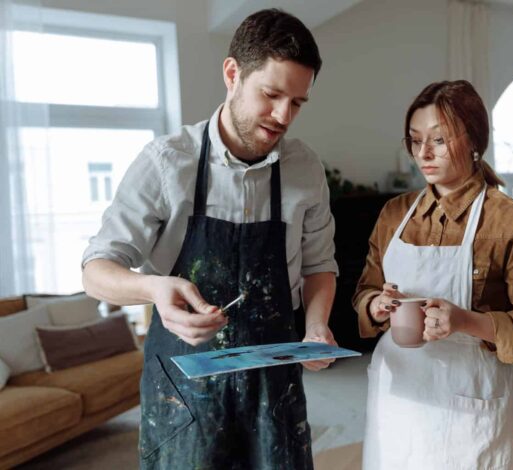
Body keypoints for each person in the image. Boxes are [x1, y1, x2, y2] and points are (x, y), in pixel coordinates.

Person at [82, 9, 338, 469]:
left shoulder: (305, 169)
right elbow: (96, 271)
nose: (284, 116)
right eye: (271, 94)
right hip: (183, 391)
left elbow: (320, 264)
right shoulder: (166, 162)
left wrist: (317, 324)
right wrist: (154, 287)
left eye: (297, 102)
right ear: (232, 73)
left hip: (272, 391)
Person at [353, 80, 513, 469]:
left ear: (474, 140)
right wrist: (375, 304)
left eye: (438, 139)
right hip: (397, 399)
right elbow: (365, 289)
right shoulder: (395, 214)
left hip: (471, 407)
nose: (423, 153)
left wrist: (466, 321)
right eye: (415, 141)